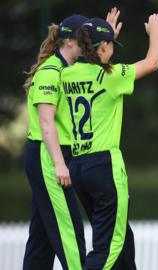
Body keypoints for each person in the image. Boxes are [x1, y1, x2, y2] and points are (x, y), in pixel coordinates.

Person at [60, 13, 158, 269]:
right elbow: (153, 62)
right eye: (111, 47)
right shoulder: (111, 76)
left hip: (79, 166)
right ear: (103, 47)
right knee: (110, 247)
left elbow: (93, 60)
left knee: (121, 238)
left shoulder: (67, 75)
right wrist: (155, 35)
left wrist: (105, 36)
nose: (113, 53)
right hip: (104, 165)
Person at [23, 14, 88, 270]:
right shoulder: (51, 71)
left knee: (41, 238)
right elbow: (46, 124)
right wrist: (60, 165)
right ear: (70, 41)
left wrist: (108, 35)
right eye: (87, 39)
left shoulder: (71, 69)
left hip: (58, 155)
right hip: (48, 155)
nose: (91, 45)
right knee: (69, 232)